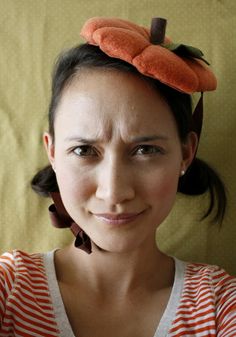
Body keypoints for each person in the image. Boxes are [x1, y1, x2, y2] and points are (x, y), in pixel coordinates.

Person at [0, 17, 235, 337]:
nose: (114, 192)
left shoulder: (219, 305)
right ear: (52, 152)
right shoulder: (10, 289)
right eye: (84, 150)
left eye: (146, 150)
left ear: (185, 153)